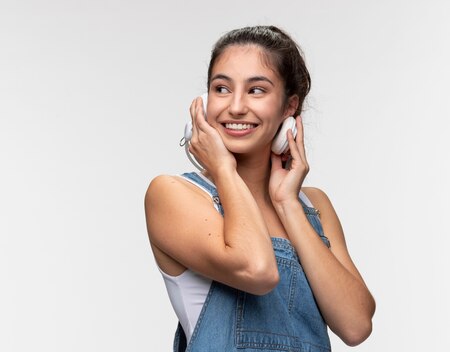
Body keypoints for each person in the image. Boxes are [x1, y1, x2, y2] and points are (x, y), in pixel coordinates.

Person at [144, 26, 375, 351]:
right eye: (221, 88)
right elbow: (256, 268)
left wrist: (287, 204)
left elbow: (356, 325)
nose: (236, 106)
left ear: (288, 107)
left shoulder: (312, 204)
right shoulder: (175, 194)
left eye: (256, 91)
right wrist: (224, 169)